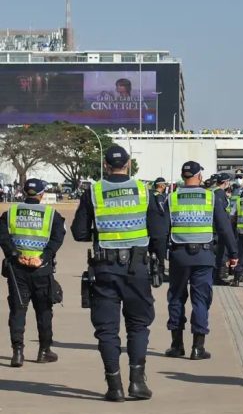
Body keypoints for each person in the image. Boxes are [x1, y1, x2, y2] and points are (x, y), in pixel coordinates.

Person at [71, 145, 163, 401]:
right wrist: (160, 262)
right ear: (129, 164)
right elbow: (158, 233)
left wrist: (102, 233)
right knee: (138, 325)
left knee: (107, 329)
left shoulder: (94, 192)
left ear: (105, 165)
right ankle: (137, 382)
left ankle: (114, 386)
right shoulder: (145, 192)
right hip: (137, 268)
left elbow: (79, 232)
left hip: (104, 269)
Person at [164, 161, 238, 361]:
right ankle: (198, 348)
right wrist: (233, 253)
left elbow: (163, 230)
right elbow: (224, 228)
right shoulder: (210, 197)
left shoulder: (171, 198)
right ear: (198, 175)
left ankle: (176, 345)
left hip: (178, 256)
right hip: (204, 256)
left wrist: (159, 256)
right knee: (201, 300)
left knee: (177, 298)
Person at [0, 178, 66, 367]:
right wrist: (44, 257)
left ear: (23, 191)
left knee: (18, 310)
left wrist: (15, 254)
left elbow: (2, 236)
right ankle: (44, 351)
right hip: (41, 269)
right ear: (42, 194)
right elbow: (57, 238)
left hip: (16, 269)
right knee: (44, 310)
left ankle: (17, 352)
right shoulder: (51, 214)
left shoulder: (10, 213)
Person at [211, 173, 232, 286]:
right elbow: (222, 213)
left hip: (214, 229)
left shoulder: (214, 193)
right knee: (218, 255)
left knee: (216, 254)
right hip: (218, 230)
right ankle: (216, 278)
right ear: (226, 182)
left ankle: (215, 277)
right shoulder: (220, 194)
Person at [148, 177, 169, 281]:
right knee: (160, 254)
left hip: (150, 230)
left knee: (152, 251)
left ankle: (152, 271)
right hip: (161, 230)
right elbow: (162, 210)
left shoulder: (149, 196)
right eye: (164, 185)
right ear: (161, 186)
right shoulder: (160, 197)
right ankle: (160, 274)